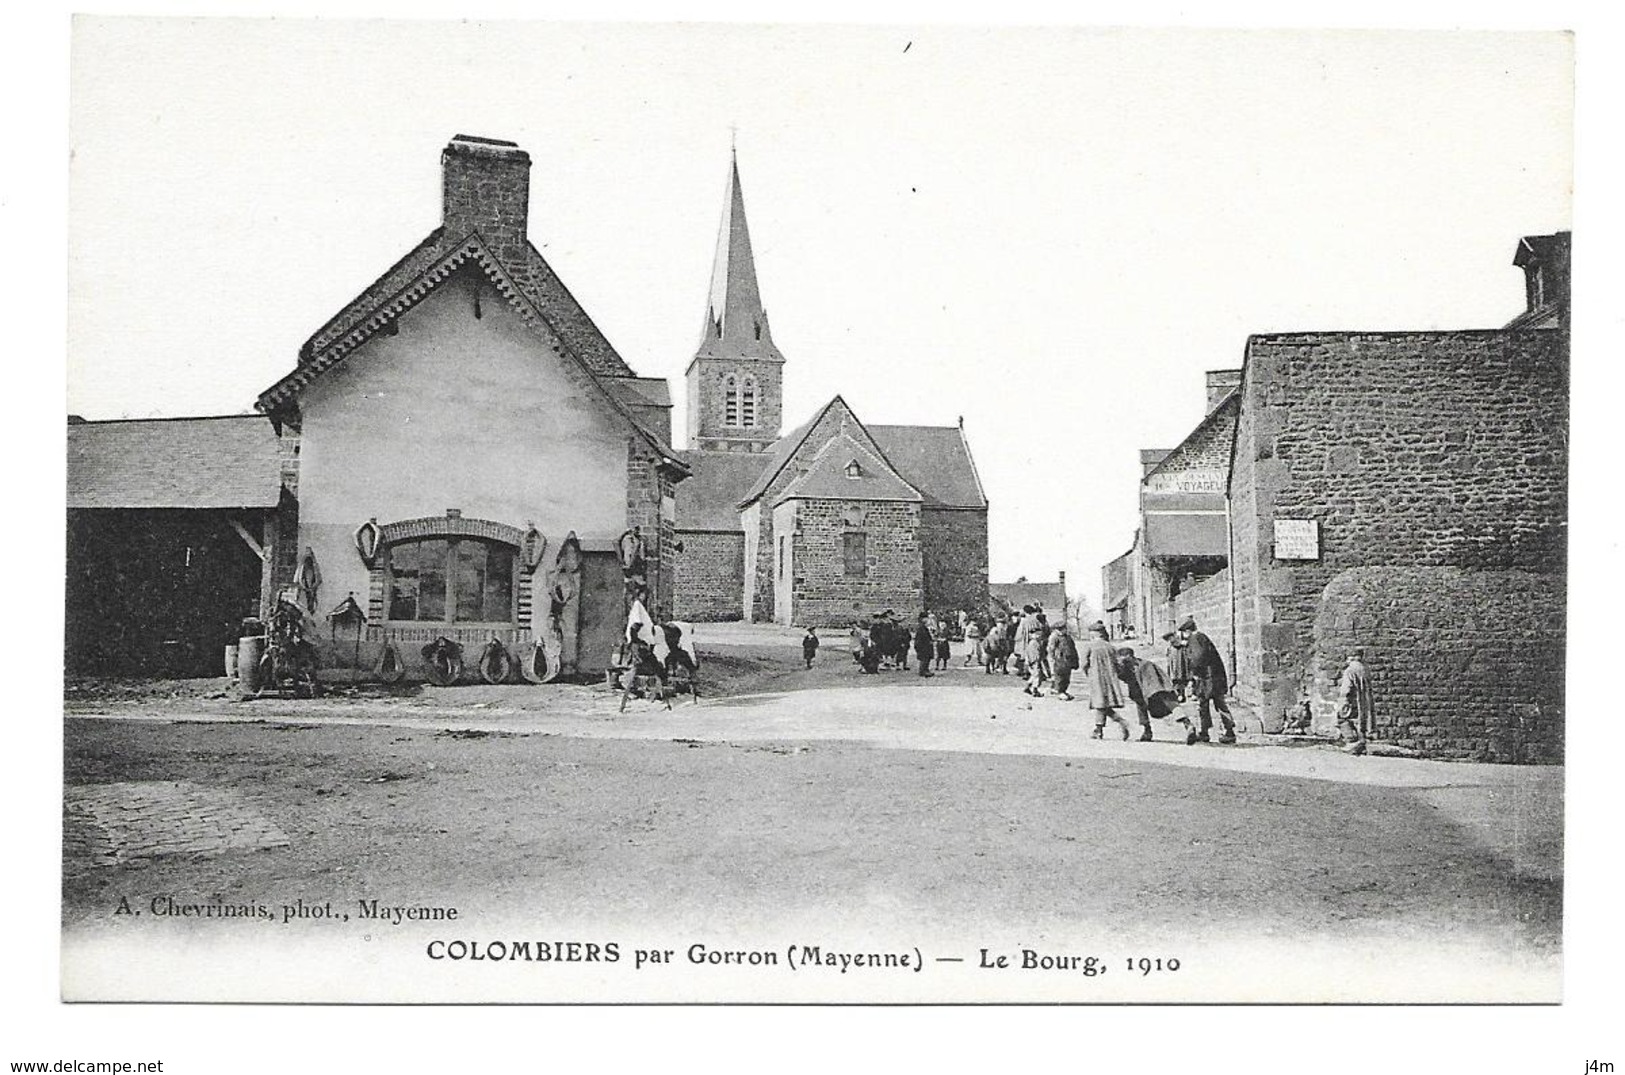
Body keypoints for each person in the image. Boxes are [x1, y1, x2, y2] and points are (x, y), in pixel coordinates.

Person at [1178, 617, 1236, 745]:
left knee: (1211, 704)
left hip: (1207, 678)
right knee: (1209, 704)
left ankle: (1228, 732)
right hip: (1212, 677)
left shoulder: (1196, 639)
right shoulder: (1200, 637)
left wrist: (1194, 673)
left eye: (1183, 633)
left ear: (1187, 631)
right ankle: (1206, 732)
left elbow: (1198, 657)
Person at [1079, 622, 1132, 739]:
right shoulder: (1111, 647)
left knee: (1100, 704)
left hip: (1096, 678)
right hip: (1109, 679)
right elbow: (1119, 664)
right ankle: (1100, 729)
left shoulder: (1090, 646)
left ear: (1094, 634)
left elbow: (1083, 664)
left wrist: (1088, 674)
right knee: (1102, 704)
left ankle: (1107, 726)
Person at [1336, 651, 1374, 755]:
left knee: (1341, 718)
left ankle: (1352, 742)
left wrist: (1343, 700)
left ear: (1351, 658)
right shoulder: (1365, 669)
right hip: (1364, 700)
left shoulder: (1350, 670)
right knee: (1361, 721)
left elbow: (1347, 688)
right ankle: (1362, 741)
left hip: (1352, 699)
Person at [1115, 646, 1156, 741]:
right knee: (1141, 708)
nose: (1120, 659)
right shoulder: (1127, 666)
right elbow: (1122, 677)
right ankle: (1147, 731)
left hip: (1149, 692)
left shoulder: (1142, 664)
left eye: (1121, 656)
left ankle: (1147, 731)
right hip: (1138, 693)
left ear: (1128, 656)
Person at [1019, 605, 1047, 696]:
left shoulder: (1025, 622)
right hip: (1034, 657)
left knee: (1035, 673)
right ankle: (1035, 690)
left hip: (1029, 653)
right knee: (1037, 673)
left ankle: (1027, 687)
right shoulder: (1036, 621)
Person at [1046, 622, 1079, 701]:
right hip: (1059, 660)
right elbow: (1051, 649)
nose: (1065, 630)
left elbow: (1073, 648)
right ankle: (1059, 692)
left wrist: (1075, 660)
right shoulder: (1054, 637)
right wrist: (1053, 659)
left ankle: (1063, 691)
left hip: (1068, 660)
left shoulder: (1068, 637)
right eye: (1063, 629)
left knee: (1067, 677)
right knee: (1060, 676)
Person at [1162, 631, 1190, 702]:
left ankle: (1181, 694)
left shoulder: (1179, 645)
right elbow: (1168, 657)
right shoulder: (1170, 647)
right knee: (1175, 680)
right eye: (1169, 639)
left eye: (1171, 638)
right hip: (1173, 666)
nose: (1170, 640)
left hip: (1180, 665)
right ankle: (1178, 695)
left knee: (1180, 680)